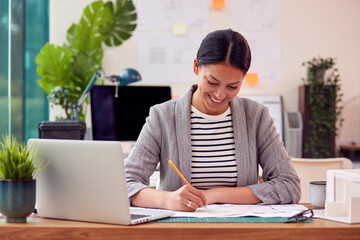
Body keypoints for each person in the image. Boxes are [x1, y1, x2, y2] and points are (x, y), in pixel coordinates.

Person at [125, 29, 301, 212]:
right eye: (212, 82)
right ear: (196, 67)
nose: (220, 94)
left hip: (241, 229)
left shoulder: (256, 116)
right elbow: (126, 183)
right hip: (180, 230)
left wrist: (214, 195)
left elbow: (289, 186)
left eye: (233, 86)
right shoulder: (162, 117)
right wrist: (166, 200)